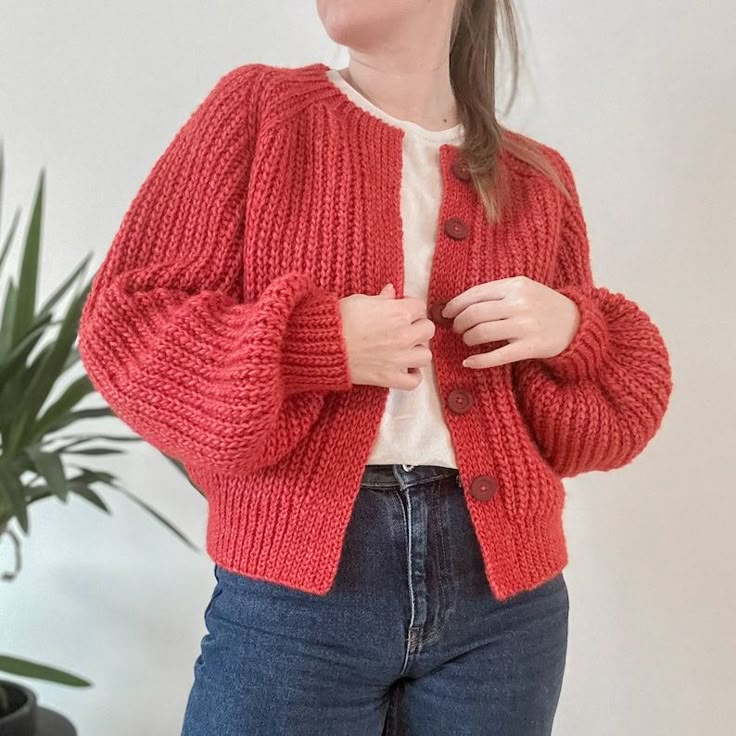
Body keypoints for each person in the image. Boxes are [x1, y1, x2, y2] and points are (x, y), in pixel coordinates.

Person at [77, 1, 673, 734]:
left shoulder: (535, 179)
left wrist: (576, 331)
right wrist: (319, 343)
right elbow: (125, 323)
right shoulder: (261, 113)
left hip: (505, 603)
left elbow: (594, 435)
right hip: (296, 594)